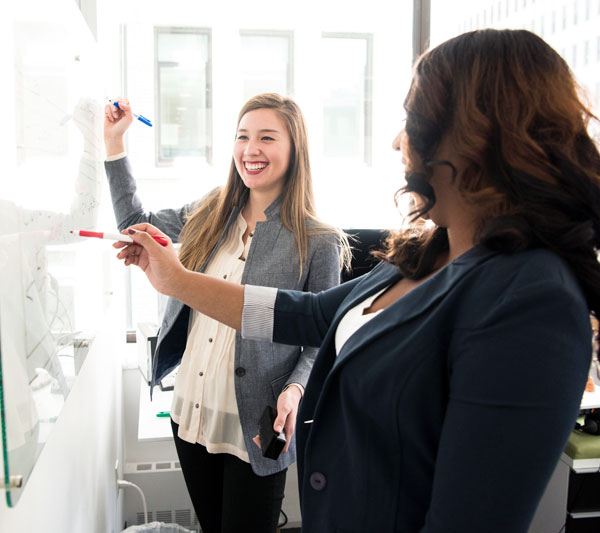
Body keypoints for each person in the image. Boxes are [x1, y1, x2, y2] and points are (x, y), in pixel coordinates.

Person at [113, 29, 600, 532]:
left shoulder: (532, 299)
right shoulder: (424, 254)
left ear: (476, 135)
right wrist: (176, 280)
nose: (397, 141)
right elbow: (309, 314)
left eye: (413, 120)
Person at [103, 93, 348, 533]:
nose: (251, 149)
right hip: (191, 411)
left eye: (267, 138)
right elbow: (135, 223)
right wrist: (114, 143)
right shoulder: (210, 211)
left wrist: (295, 389)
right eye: (242, 136)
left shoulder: (318, 240)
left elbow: (321, 338)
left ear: (295, 148)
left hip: (258, 424)